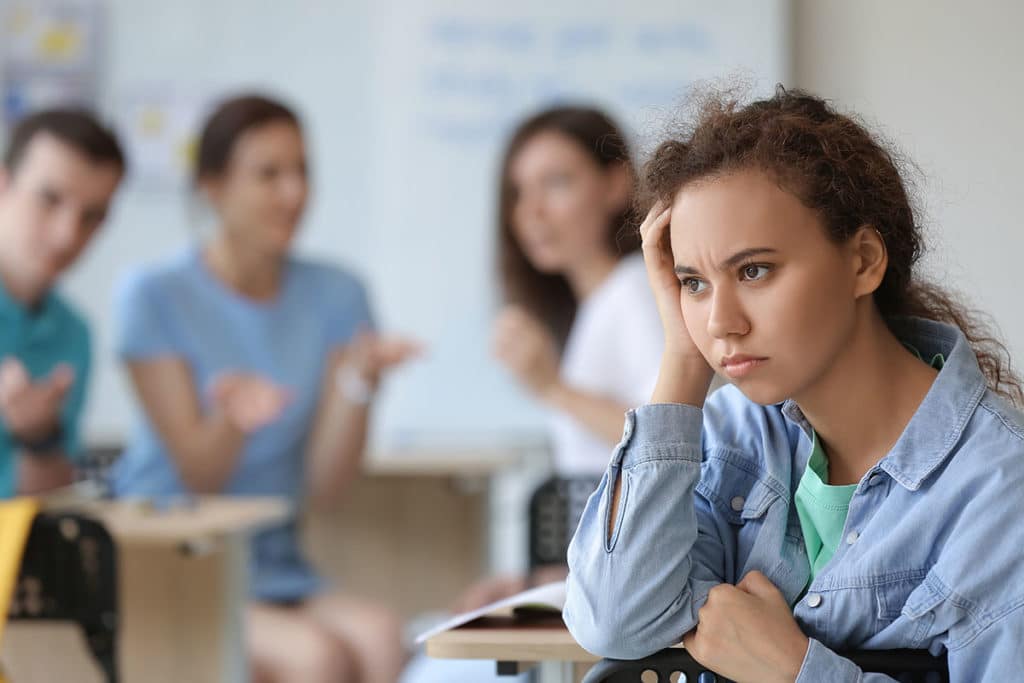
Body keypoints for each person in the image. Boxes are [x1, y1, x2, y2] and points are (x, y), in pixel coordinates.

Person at [563, 86, 1024, 681]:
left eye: (754, 271)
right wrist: (681, 359)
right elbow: (613, 618)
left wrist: (795, 669)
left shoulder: (998, 489)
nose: (721, 324)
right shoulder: (735, 438)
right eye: (694, 283)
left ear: (862, 261)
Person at [112, 94, 416, 683]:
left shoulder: (338, 294)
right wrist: (230, 419)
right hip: (173, 562)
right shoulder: (153, 295)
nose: (294, 193)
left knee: (382, 637)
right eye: (269, 174)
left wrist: (357, 384)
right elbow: (201, 476)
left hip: (275, 563)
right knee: (316, 658)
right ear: (213, 186)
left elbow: (326, 489)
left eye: (302, 171)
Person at [401, 106, 663, 683]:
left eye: (557, 183)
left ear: (617, 184)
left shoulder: (634, 292)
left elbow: (669, 436)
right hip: (596, 583)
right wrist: (533, 580)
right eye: (519, 193)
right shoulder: (597, 307)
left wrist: (551, 387)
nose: (532, 213)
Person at [0, 109, 124, 497]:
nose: (67, 234)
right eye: (49, 199)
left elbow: (42, 504)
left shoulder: (73, 333)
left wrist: (39, 438)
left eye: (91, 215)